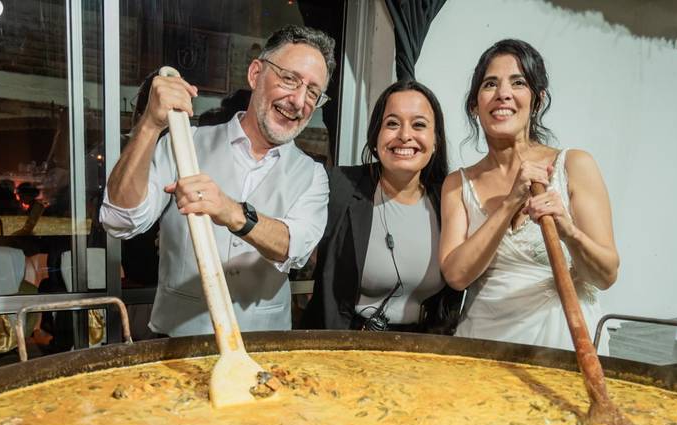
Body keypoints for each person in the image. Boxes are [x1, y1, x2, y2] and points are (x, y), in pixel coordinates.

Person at [100, 25, 335, 336]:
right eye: (289, 79)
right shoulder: (185, 144)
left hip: (263, 347)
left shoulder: (312, 175)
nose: (298, 100)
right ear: (255, 75)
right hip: (178, 342)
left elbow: (294, 247)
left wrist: (232, 212)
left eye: (313, 92)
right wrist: (150, 126)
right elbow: (120, 220)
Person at [439, 39, 619, 352]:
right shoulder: (457, 184)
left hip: (564, 345)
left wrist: (568, 230)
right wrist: (510, 203)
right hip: (484, 346)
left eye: (518, 82)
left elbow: (605, 275)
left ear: (537, 100)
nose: (503, 94)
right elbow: (456, 275)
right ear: (474, 105)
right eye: (490, 84)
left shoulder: (574, 166)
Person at [301, 80, 461, 333]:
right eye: (392, 123)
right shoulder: (338, 186)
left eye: (419, 124)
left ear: (436, 141)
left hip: (424, 350)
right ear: (375, 137)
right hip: (345, 346)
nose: (405, 135)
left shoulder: (450, 199)